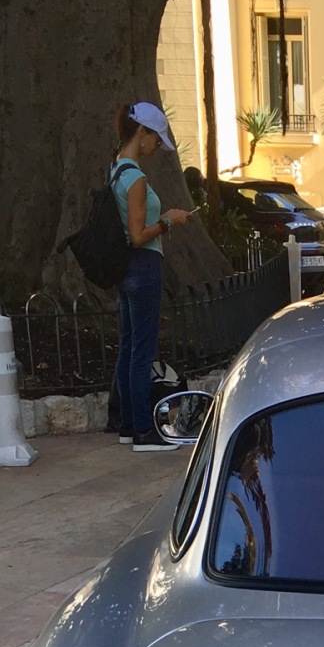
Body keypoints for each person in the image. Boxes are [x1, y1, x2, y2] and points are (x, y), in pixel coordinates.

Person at [110, 102, 193, 454]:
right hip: (144, 265)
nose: (157, 146)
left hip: (126, 269)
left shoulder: (116, 170)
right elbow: (139, 234)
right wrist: (170, 219)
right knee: (142, 351)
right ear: (141, 134)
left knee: (130, 347)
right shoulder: (137, 179)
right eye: (156, 139)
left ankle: (129, 425)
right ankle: (145, 431)